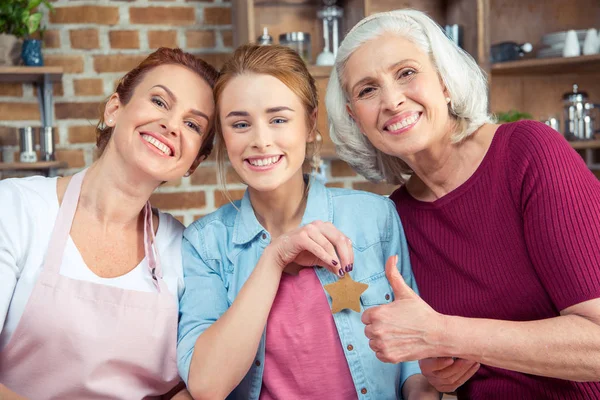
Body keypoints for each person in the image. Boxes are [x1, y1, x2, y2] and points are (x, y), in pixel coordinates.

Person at [325, 8, 600, 400]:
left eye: (406, 73)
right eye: (368, 90)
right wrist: (435, 373)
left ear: (444, 80)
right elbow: (433, 363)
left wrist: (442, 333)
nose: (392, 100)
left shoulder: (528, 153)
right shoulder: (396, 216)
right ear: (355, 118)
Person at [176, 44, 439, 400]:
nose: (261, 140)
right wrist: (274, 258)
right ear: (224, 137)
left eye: (279, 119)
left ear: (310, 125)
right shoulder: (205, 245)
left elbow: (414, 360)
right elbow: (207, 385)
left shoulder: (375, 217)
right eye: (240, 124)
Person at [0, 48, 218, 399]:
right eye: (160, 102)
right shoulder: (16, 208)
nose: (172, 125)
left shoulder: (186, 250)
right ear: (114, 109)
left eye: (193, 124)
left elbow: (193, 384)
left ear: (194, 162)